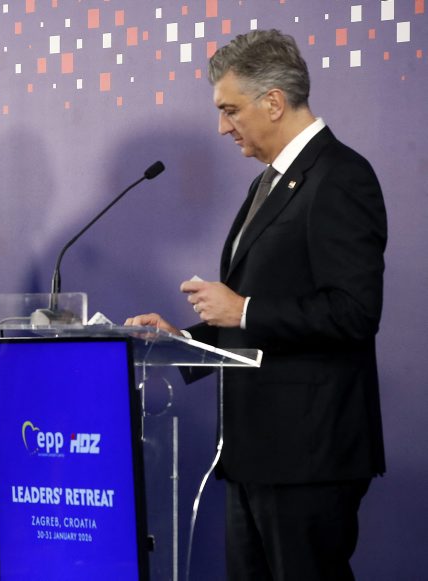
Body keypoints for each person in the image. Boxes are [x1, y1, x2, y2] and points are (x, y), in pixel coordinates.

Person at [125, 30, 386, 580]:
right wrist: (182, 340)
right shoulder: (267, 184)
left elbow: (354, 313)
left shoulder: (340, 177)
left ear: (273, 102)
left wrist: (242, 309)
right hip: (254, 454)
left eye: (230, 110)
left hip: (308, 456)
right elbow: (255, 318)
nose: (223, 127)